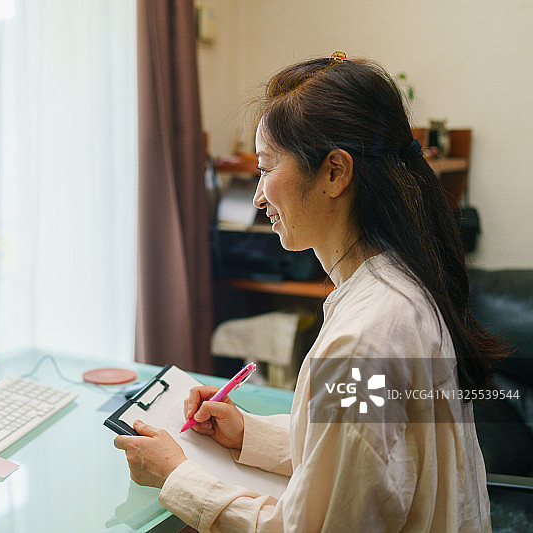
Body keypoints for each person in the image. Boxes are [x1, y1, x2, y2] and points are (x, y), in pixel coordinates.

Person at [114, 53, 502, 532]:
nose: (258, 196)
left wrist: (177, 476)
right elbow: (363, 458)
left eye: (265, 168)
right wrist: (246, 434)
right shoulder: (400, 289)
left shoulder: (363, 342)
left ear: (335, 173)